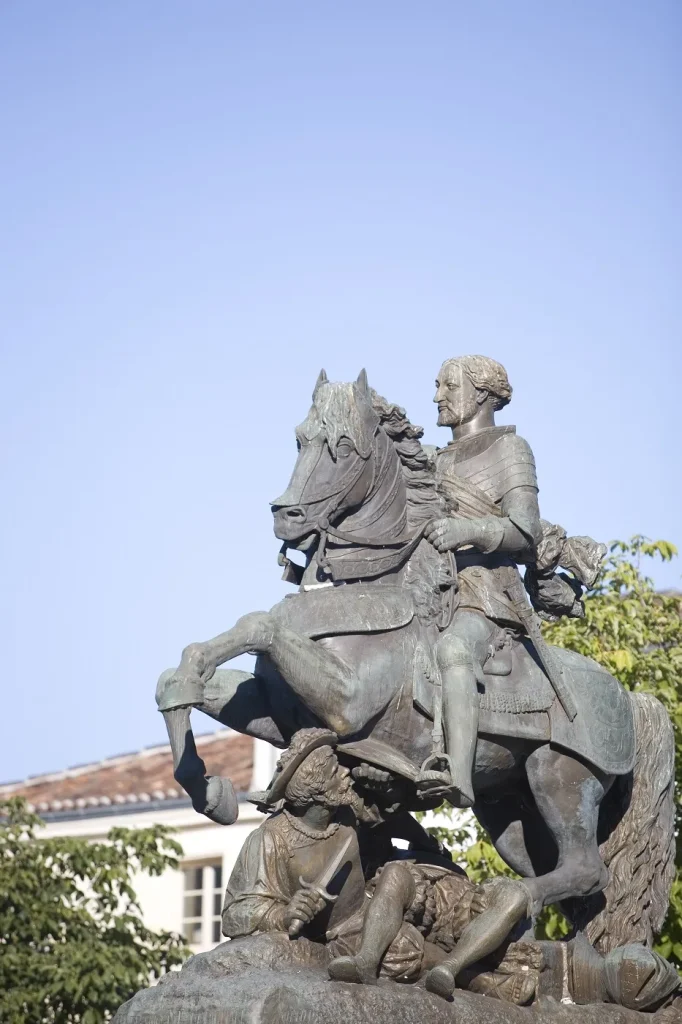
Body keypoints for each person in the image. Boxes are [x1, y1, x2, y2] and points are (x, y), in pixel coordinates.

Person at [419, 355, 543, 808]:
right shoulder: (430, 461)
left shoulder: (511, 451)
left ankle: (459, 775)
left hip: (485, 595)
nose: (437, 396)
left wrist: (466, 531)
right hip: (429, 592)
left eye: (448, 386)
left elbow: (527, 530)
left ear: (483, 393)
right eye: (437, 386)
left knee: (453, 650)